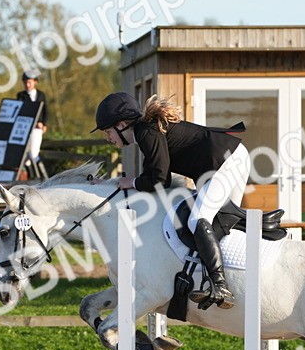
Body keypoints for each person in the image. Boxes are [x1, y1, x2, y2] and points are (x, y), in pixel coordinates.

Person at [93, 92, 248, 310]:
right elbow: (154, 179)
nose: (108, 138)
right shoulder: (146, 132)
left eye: (108, 132)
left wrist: (130, 182)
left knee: (198, 220)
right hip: (228, 158)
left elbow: (158, 180)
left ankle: (220, 285)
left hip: (224, 160)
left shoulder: (146, 132)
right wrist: (123, 183)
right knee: (223, 221)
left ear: (121, 125)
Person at [17, 70, 49, 177]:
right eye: (26, 82)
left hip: (36, 129)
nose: (27, 85)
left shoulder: (41, 95)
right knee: (25, 156)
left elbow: (45, 111)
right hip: (25, 128)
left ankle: (43, 177)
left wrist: (43, 124)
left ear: (35, 82)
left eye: (29, 82)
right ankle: (31, 177)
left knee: (34, 153)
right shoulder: (21, 95)